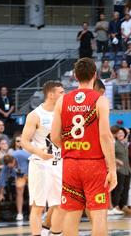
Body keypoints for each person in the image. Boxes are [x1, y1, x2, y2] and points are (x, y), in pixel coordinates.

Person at [50, 58, 117, 236]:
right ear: (95, 75)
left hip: (71, 164)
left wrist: (72, 147)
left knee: (72, 214)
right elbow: (105, 136)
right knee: (99, 214)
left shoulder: (62, 100)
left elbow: (55, 137)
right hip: (94, 164)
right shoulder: (100, 100)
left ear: (75, 76)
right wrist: (112, 168)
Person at [20, 81, 65, 236]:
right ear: (51, 95)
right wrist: (38, 152)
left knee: (61, 205)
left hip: (59, 164)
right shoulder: (35, 115)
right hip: (41, 164)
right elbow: (24, 141)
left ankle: (54, 233)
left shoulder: (64, 112)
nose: (64, 95)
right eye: (61, 92)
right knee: (38, 206)